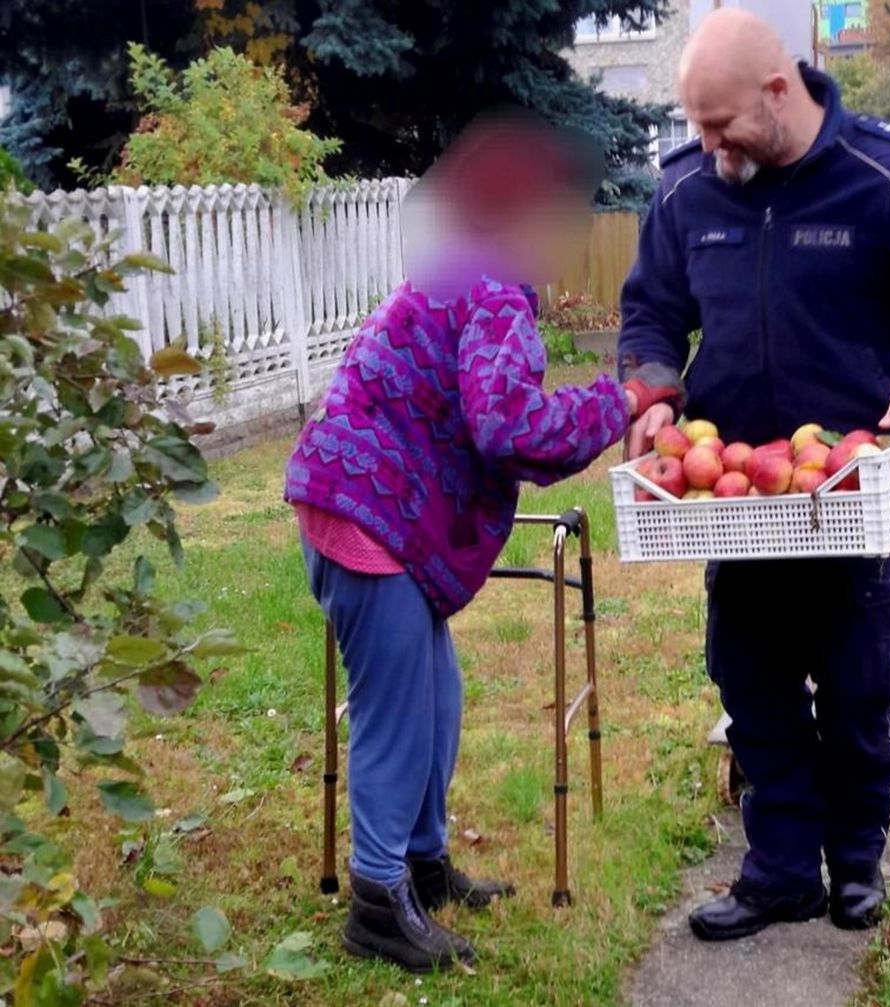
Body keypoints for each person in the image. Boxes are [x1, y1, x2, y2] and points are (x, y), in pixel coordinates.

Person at [618, 9, 890, 942]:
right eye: (695, 127)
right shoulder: (685, 193)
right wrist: (655, 393)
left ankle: (858, 863)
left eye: (720, 125)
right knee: (751, 685)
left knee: (859, 685)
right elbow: (650, 314)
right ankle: (781, 871)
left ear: (778, 91)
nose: (706, 146)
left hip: (856, 492)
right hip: (738, 502)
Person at [284, 110, 681, 972]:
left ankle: (422, 863)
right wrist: (620, 403)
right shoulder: (494, 288)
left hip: (365, 507)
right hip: (368, 517)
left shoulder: (461, 274)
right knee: (396, 714)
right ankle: (378, 899)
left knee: (436, 697)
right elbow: (506, 426)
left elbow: (473, 411)